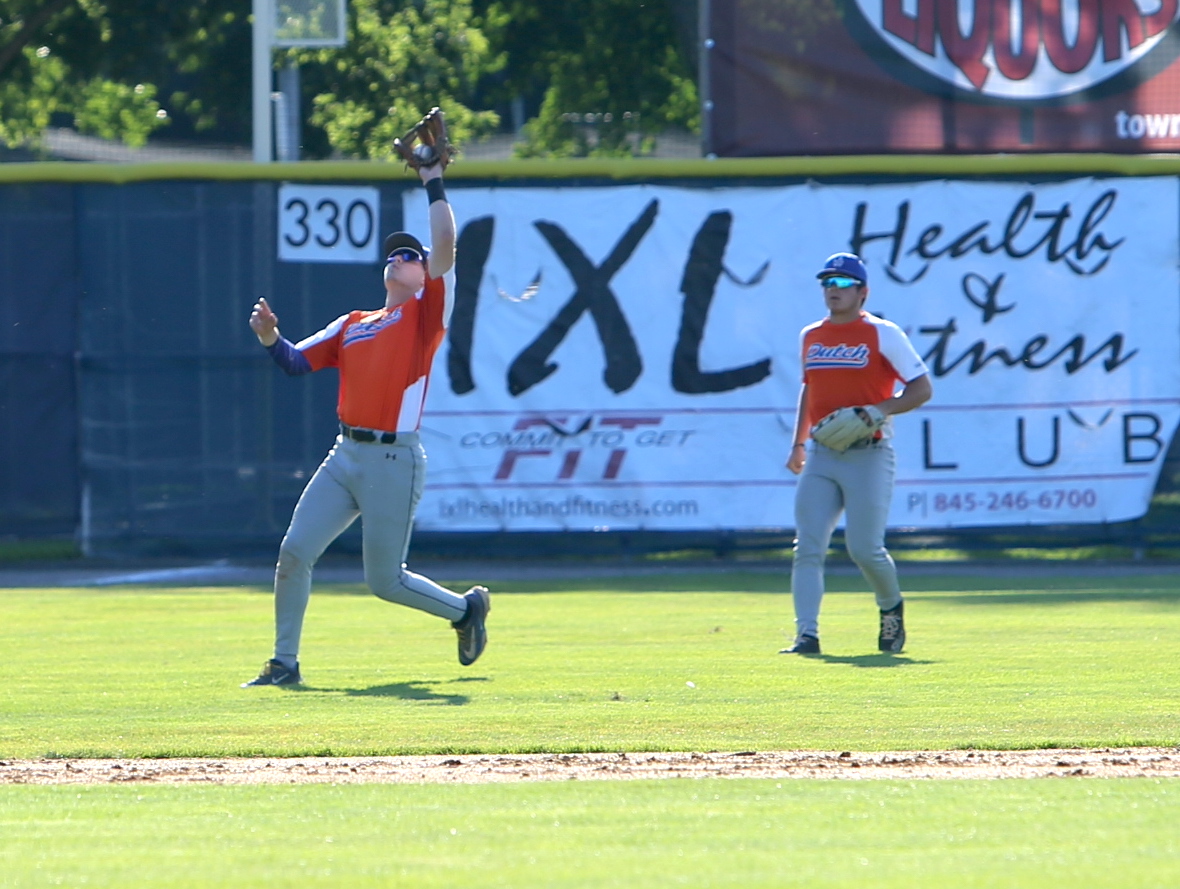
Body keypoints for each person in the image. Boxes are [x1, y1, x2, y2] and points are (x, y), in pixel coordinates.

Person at [241, 160, 489, 687]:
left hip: (394, 458)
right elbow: (294, 361)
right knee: (293, 553)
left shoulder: (425, 316)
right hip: (345, 455)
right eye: (394, 253)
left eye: (410, 255)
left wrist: (432, 180)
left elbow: (445, 243)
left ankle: (465, 612)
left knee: (384, 582)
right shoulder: (354, 324)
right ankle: (284, 663)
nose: (399, 258)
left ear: (424, 274)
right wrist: (268, 337)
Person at [782, 252, 932, 655]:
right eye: (828, 282)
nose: (834, 289)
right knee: (808, 546)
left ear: (863, 292)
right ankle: (806, 635)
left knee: (865, 549)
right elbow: (809, 388)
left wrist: (881, 409)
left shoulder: (883, 334)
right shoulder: (811, 335)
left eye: (844, 283)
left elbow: (922, 388)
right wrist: (798, 442)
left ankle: (890, 608)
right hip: (822, 452)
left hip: (869, 452)